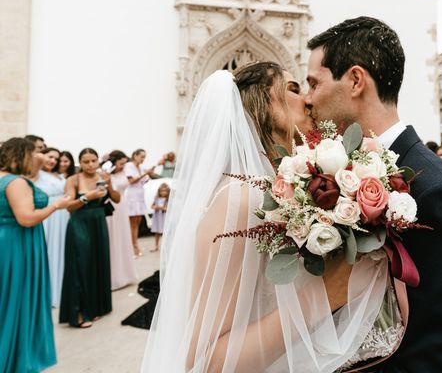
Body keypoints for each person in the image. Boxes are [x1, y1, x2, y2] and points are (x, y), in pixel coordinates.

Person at [143, 62, 388, 372]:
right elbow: (208, 361)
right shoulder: (241, 198)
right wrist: (324, 296)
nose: (308, 100)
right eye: (294, 89)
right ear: (259, 105)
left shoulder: (274, 190)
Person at [305, 16, 442, 372]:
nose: (309, 98)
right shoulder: (333, 175)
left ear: (356, 80)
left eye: (315, 83)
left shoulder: (440, 191)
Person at [0, 138, 74, 372]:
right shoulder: (16, 182)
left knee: (7, 299)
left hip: (9, 240)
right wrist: (56, 206)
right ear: (23, 154)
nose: (39, 157)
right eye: (35, 153)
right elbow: (26, 218)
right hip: (18, 244)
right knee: (16, 298)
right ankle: (13, 359)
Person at [60, 148, 120, 328]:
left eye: (94, 160)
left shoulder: (103, 176)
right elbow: (69, 207)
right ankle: (79, 312)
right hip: (79, 223)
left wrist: (108, 185)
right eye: (86, 161)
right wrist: (88, 197)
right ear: (80, 162)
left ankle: (97, 307)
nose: (91, 165)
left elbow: (117, 199)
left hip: (99, 223)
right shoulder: (73, 180)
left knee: (98, 262)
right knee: (80, 265)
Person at [35, 147, 70, 308]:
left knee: (62, 251)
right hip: (48, 216)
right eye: (50, 157)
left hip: (63, 216)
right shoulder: (36, 173)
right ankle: (47, 293)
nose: (53, 161)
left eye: (56, 159)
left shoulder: (58, 175)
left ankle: (61, 290)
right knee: (49, 252)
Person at [104, 150, 137, 290]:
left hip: (121, 206)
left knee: (122, 238)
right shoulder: (106, 171)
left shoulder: (125, 172)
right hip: (109, 206)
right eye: (120, 163)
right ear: (114, 161)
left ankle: (125, 274)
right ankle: (111, 276)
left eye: (124, 163)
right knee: (111, 238)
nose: (123, 165)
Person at [124, 149, 155, 256]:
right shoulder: (129, 166)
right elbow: (132, 181)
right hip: (132, 196)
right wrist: (145, 173)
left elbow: (145, 179)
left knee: (138, 221)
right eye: (141, 156)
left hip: (140, 196)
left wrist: (148, 174)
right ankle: (133, 246)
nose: (143, 159)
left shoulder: (141, 167)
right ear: (135, 155)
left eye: (144, 157)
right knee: (132, 223)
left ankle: (135, 244)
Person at [150, 182, 170, 252]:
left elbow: (168, 209)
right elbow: (152, 206)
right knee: (157, 232)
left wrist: (161, 208)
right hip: (158, 217)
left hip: (164, 217)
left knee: (166, 232)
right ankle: (156, 245)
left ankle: (167, 246)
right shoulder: (156, 198)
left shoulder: (168, 200)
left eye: (165, 191)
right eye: (161, 191)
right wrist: (155, 207)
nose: (163, 193)